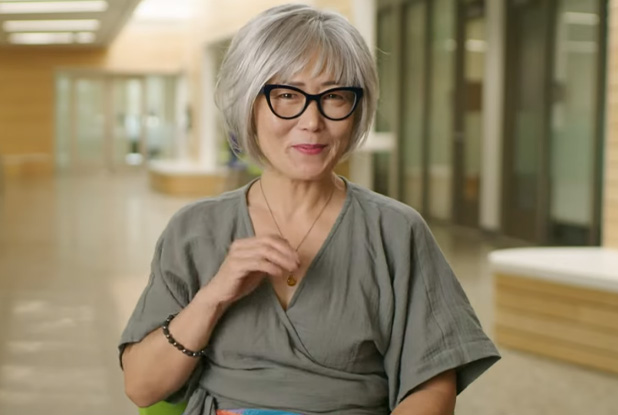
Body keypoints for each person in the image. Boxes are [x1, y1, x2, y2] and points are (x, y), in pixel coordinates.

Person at [119, 4, 500, 415]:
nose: (312, 120)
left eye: (335, 96)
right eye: (286, 95)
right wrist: (213, 296)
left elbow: (433, 388)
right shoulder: (195, 230)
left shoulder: (395, 231)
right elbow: (142, 388)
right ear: (249, 103)